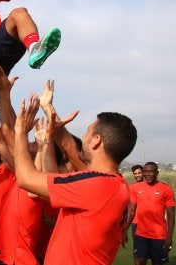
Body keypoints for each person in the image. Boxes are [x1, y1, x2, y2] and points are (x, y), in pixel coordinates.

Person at [13, 94, 138, 264]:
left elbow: (25, 178)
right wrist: (49, 111)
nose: (84, 137)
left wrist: (20, 132)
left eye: (87, 131)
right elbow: (67, 152)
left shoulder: (95, 185)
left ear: (96, 141)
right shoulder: (115, 183)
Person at [125, 162, 176, 265]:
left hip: (159, 235)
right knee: (140, 261)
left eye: (151, 171)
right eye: (145, 172)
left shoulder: (167, 189)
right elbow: (131, 212)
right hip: (141, 234)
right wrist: (124, 231)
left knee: (157, 263)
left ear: (157, 173)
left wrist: (169, 237)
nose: (148, 174)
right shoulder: (136, 188)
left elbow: (171, 216)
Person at [129, 164, 145, 261]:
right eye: (135, 173)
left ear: (143, 173)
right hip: (136, 223)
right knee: (137, 249)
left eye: (139, 173)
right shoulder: (131, 187)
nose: (137, 175)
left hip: (149, 223)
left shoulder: (149, 185)